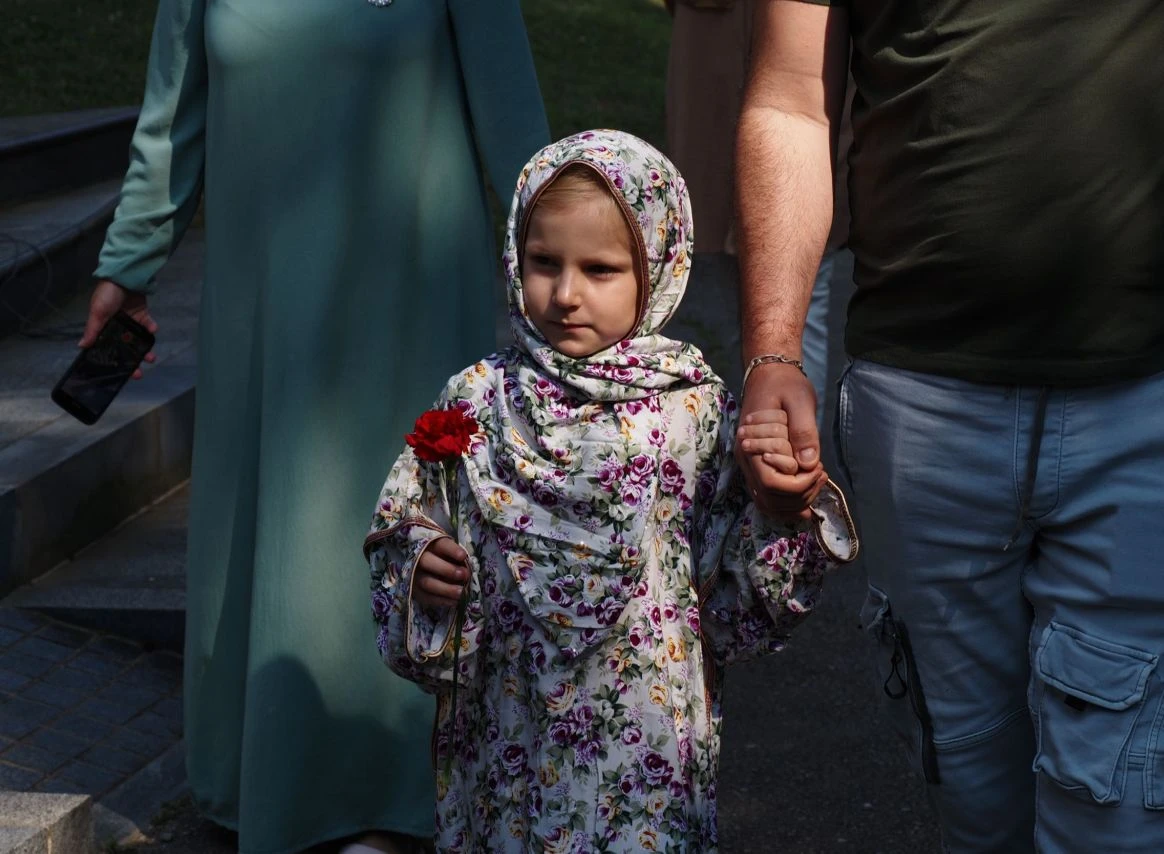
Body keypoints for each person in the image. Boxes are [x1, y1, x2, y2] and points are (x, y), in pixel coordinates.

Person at [734, 1, 1164, 852]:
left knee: (1120, 824)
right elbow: (793, 97)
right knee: (978, 810)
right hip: (921, 407)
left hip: (1159, 389)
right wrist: (773, 353)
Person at [82, 2, 549, 852]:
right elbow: (172, 117)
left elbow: (517, 124)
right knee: (280, 523)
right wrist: (128, 265)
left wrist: (562, 280)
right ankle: (285, 788)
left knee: (404, 528)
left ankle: (401, 790)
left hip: (409, 297)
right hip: (264, 315)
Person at [363, 129, 856, 852]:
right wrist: (420, 561)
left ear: (657, 268)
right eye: (543, 263)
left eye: (599, 269)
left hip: (642, 746)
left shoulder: (694, 411)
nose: (565, 294)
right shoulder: (476, 399)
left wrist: (781, 512)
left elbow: (735, 596)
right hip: (507, 730)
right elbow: (406, 518)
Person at [662, 0, 854, 424]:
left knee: (806, 302)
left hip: (811, 80)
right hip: (718, 69)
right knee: (743, 315)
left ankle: (798, 451)